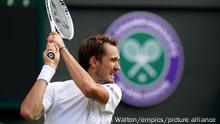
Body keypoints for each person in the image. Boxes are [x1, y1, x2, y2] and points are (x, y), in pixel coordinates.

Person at [20, 32, 122, 124]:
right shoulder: (55, 89)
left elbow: (89, 89)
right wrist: (48, 67)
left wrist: (62, 48)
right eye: (113, 60)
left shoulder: (114, 91)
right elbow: (28, 112)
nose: (118, 67)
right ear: (94, 62)